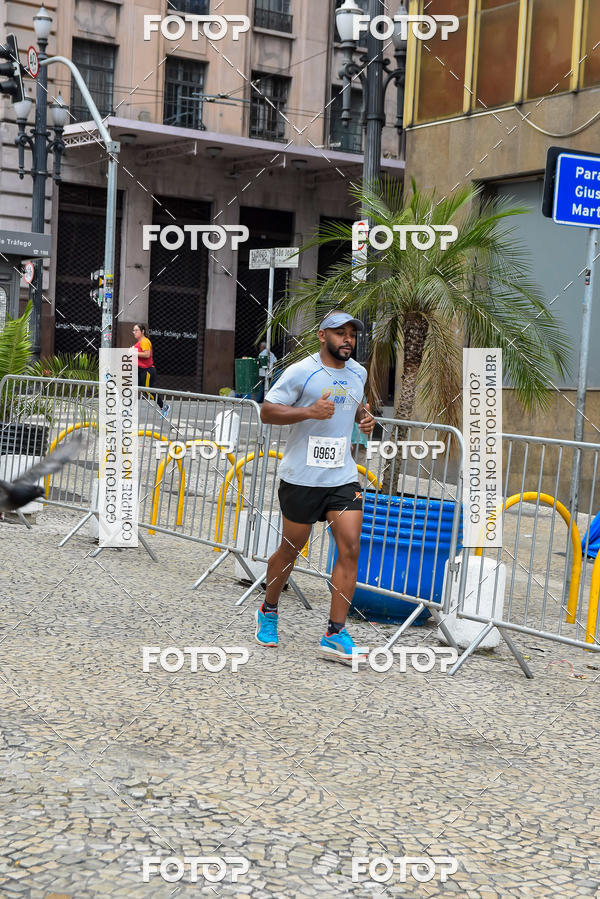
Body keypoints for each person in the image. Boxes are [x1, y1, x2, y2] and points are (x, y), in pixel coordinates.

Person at [255, 310, 376, 664]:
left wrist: (364, 417)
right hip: (301, 477)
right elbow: (268, 411)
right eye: (340, 333)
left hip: (342, 476)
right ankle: (269, 608)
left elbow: (354, 406)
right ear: (322, 336)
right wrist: (308, 412)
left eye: (352, 333)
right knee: (292, 548)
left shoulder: (358, 372)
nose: (348, 340)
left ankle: (335, 632)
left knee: (350, 546)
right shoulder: (300, 371)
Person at [131, 323, 169, 413]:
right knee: (134, 388)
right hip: (140, 370)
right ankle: (130, 409)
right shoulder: (139, 342)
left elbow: (147, 354)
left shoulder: (145, 341)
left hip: (147, 370)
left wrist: (134, 352)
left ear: (142, 331)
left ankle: (164, 406)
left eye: (136, 330)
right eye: (133, 330)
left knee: (148, 391)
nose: (134, 332)